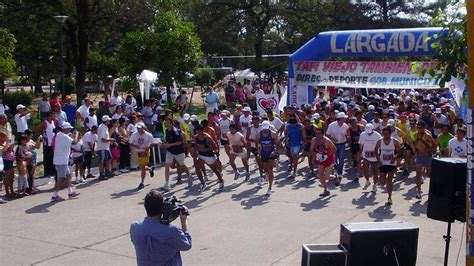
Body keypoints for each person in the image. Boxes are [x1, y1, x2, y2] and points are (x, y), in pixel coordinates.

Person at [130, 189, 191, 266]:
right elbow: (187, 245)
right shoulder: (172, 230)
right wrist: (183, 222)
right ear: (162, 208)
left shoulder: (135, 227)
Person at [51, 122, 80, 202]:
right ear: (65, 129)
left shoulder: (60, 135)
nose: (69, 130)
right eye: (69, 129)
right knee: (61, 178)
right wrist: (76, 134)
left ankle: (70, 192)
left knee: (68, 175)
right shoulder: (63, 136)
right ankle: (55, 195)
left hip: (62, 159)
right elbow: (74, 142)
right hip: (61, 161)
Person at [162, 118, 191, 191]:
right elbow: (167, 140)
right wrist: (164, 143)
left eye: (168, 123)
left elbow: (180, 142)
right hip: (170, 152)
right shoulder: (166, 131)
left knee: (182, 165)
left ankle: (189, 176)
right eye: (166, 123)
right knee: (167, 165)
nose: (166, 125)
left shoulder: (176, 131)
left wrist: (170, 145)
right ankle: (166, 183)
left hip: (178, 151)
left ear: (171, 123)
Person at [193, 124, 224, 191]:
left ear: (202, 131)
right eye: (197, 132)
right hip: (201, 155)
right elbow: (195, 145)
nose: (198, 133)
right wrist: (196, 151)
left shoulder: (207, 137)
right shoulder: (196, 137)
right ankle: (203, 183)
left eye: (199, 132)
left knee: (214, 169)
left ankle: (221, 180)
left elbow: (214, 146)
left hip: (209, 155)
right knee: (197, 168)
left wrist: (207, 149)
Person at [375, 127, 400, 205]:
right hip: (382, 163)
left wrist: (395, 157)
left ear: (390, 133)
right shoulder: (379, 141)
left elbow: (399, 151)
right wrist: (379, 161)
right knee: (382, 182)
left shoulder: (395, 141)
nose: (386, 135)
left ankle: (389, 197)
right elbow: (375, 150)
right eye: (384, 134)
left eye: (387, 134)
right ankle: (382, 179)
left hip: (391, 163)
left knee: (389, 181)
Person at [255, 121, 282, 196]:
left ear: (269, 127)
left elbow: (278, 144)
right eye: (264, 129)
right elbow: (256, 142)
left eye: (266, 129)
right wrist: (257, 151)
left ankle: (269, 188)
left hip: (271, 153)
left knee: (270, 171)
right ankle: (267, 174)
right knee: (264, 168)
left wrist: (275, 151)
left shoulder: (273, 134)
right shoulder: (258, 134)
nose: (265, 130)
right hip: (263, 153)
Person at [310, 127, 337, 197]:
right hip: (321, 159)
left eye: (319, 134)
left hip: (329, 159)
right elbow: (311, 150)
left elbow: (334, 149)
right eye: (316, 133)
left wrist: (327, 156)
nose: (317, 135)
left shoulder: (327, 141)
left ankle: (335, 177)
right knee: (320, 174)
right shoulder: (314, 140)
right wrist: (316, 156)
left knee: (327, 177)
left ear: (323, 134)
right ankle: (326, 189)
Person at [412, 121, 435, 200]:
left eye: (421, 128)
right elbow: (415, 144)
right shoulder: (415, 135)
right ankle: (418, 192)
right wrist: (416, 150)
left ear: (424, 128)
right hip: (419, 156)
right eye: (418, 127)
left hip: (428, 157)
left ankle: (433, 189)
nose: (419, 129)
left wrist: (428, 150)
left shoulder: (427, 135)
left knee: (429, 174)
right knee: (418, 175)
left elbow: (434, 144)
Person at [129, 123, 155, 190]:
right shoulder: (134, 134)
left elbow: (153, 143)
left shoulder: (148, 135)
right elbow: (130, 142)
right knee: (141, 166)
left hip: (145, 151)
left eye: (140, 128)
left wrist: (147, 148)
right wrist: (135, 146)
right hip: (138, 152)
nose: (138, 129)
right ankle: (150, 169)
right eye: (137, 128)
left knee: (142, 166)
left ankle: (142, 182)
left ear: (143, 128)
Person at [359, 124, 382, 193]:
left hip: (375, 156)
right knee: (365, 169)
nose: (368, 134)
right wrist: (360, 154)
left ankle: (374, 185)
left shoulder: (378, 135)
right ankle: (367, 181)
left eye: (370, 132)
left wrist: (380, 156)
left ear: (373, 130)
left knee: (375, 171)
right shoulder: (362, 134)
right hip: (366, 155)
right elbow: (361, 144)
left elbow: (381, 146)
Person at [326, 112, 349, 181]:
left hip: (342, 143)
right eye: (344, 118)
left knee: (341, 159)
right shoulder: (331, 125)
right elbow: (327, 134)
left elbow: (347, 135)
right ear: (340, 119)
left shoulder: (345, 126)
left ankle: (340, 173)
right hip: (333, 144)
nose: (345, 119)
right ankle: (335, 171)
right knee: (334, 159)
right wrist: (332, 139)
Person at [96, 115, 115, 180]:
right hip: (102, 147)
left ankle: (107, 171)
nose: (109, 121)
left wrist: (109, 139)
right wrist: (110, 140)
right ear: (106, 121)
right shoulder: (102, 127)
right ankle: (101, 174)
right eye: (108, 120)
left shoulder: (105, 127)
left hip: (106, 147)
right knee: (102, 161)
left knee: (108, 159)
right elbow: (102, 139)